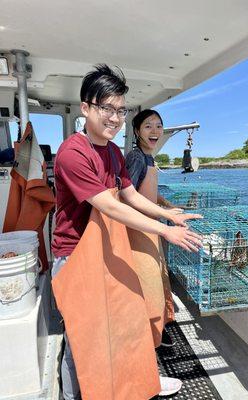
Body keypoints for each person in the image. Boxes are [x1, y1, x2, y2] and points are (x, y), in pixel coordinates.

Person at [51, 64, 202, 400]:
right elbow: (112, 206)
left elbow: (131, 195)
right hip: (75, 255)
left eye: (120, 110)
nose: (114, 117)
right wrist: (164, 232)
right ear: (86, 108)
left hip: (104, 249)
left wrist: (169, 215)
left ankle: (132, 382)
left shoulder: (113, 151)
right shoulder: (72, 153)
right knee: (82, 342)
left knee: (122, 322)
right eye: (106, 108)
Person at [125, 109, 181, 349]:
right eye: (148, 126)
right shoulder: (136, 157)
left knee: (159, 278)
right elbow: (126, 196)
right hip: (139, 229)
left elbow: (144, 190)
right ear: (137, 131)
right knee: (148, 284)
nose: (155, 130)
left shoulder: (150, 157)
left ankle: (159, 329)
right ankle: (147, 341)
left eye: (159, 125)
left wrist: (167, 204)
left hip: (153, 228)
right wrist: (165, 214)